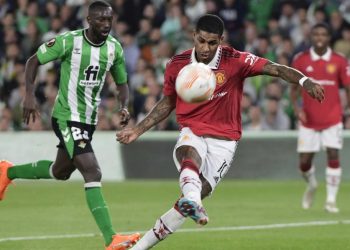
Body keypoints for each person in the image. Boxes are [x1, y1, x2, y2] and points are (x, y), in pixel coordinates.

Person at [117, 14, 324, 249]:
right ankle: (193, 202)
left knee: (192, 195)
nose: (205, 48)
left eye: (212, 43)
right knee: (188, 151)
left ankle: (146, 240)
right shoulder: (177, 64)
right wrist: (138, 130)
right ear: (194, 36)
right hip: (192, 129)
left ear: (221, 40)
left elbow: (275, 69)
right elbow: (168, 102)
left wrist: (305, 81)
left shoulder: (235, 60)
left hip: (224, 142)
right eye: (201, 41)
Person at [0, 1, 140, 249]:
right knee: (92, 171)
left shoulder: (114, 48)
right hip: (66, 115)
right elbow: (33, 60)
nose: (106, 24)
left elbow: (122, 83)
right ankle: (111, 238)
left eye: (109, 19)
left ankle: (7, 171)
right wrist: (29, 94)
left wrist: (124, 105)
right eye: (100, 20)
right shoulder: (69, 41)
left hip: (88, 121)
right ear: (88, 20)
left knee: (60, 171)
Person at [290, 22, 350, 213]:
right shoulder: (301, 59)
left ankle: (331, 201)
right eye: (316, 34)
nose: (319, 38)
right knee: (304, 162)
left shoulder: (340, 60)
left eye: (323, 34)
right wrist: (297, 108)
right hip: (309, 120)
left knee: (333, 154)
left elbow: (348, 88)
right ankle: (312, 185)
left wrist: (346, 110)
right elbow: (293, 89)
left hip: (333, 117)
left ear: (329, 37)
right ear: (311, 37)